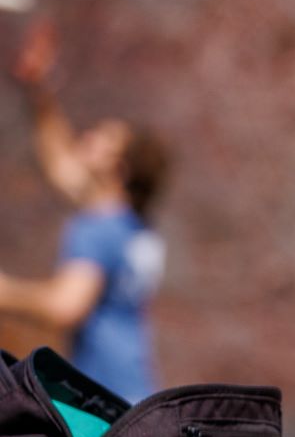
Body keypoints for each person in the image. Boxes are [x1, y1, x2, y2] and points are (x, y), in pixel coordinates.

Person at [0, 20, 170, 399]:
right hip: (135, 395)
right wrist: (39, 90)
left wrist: (7, 292)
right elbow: (60, 163)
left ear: (118, 170)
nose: (86, 138)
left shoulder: (97, 228)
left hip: (102, 399)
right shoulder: (131, 225)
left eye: (100, 141)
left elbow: (66, 305)